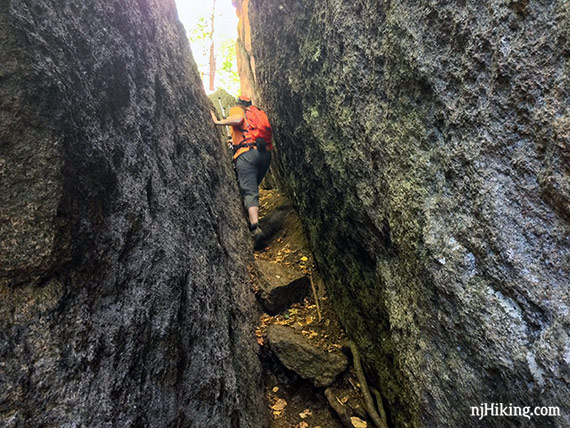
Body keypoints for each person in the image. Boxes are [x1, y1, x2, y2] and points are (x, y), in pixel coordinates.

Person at [211, 95, 272, 244]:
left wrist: (218, 122)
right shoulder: (258, 113)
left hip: (246, 155)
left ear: (239, 104)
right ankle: (251, 209)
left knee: (248, 190)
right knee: (252, 186)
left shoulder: (237, 110)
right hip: (264, 155)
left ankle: (255, 227)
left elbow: (237, 120)